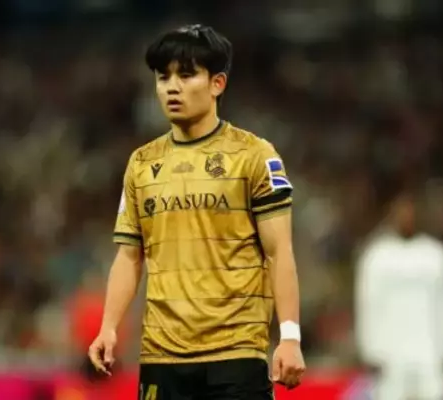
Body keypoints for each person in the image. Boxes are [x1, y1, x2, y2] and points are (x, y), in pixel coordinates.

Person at [87, 24, 306, 399]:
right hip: (161, 356)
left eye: (186, 75)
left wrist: (289, 337)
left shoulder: (254, 156)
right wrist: (109, 326)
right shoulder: (142, 164)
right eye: (163, 77)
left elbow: (278, 252)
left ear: (217, 83)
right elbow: (129, 256)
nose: (172, 87)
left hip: (236, 353)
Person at [355, 187, 443, 400]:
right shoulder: (377, 257)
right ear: (391, 216)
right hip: (390, 355)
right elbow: (367, 304)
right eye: (401, 212)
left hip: (430, 351)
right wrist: (370, 350)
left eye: (410, 212)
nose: (406, 217)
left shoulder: (436, 254)